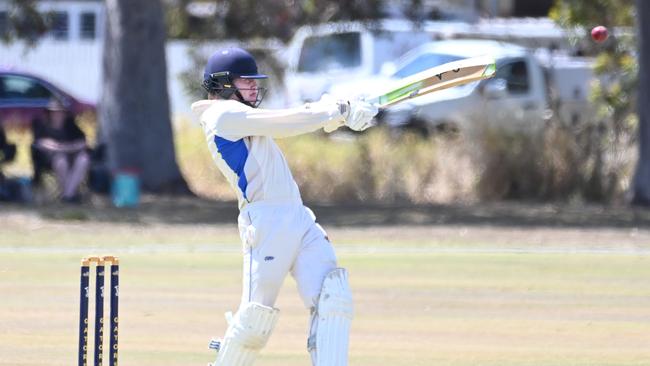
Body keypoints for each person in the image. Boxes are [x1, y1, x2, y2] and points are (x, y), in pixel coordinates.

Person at [191, 47, 378, 366]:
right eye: (245, 81)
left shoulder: (245, 117)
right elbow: (284, 122)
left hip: (298, 216)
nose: (253, 87)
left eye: (254, 80)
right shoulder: (220, 115)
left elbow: (289, 118)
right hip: (265, 223)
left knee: (333, 299)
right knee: (254, 323)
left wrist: (332, 111)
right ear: (222, 85)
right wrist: (336, 111)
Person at [31, 100, 90, 203]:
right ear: (49, 113)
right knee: (61, 161)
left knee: (83, 159)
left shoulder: (71, 125)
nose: (58, 114)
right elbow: (42, 143)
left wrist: (62, 147)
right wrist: (67, 147)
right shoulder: (43, 126)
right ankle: (70, 196)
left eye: (60, 112)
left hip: (72, 157)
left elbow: (82, 142)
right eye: (55, 112)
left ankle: (67, 195)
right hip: (49, 159)